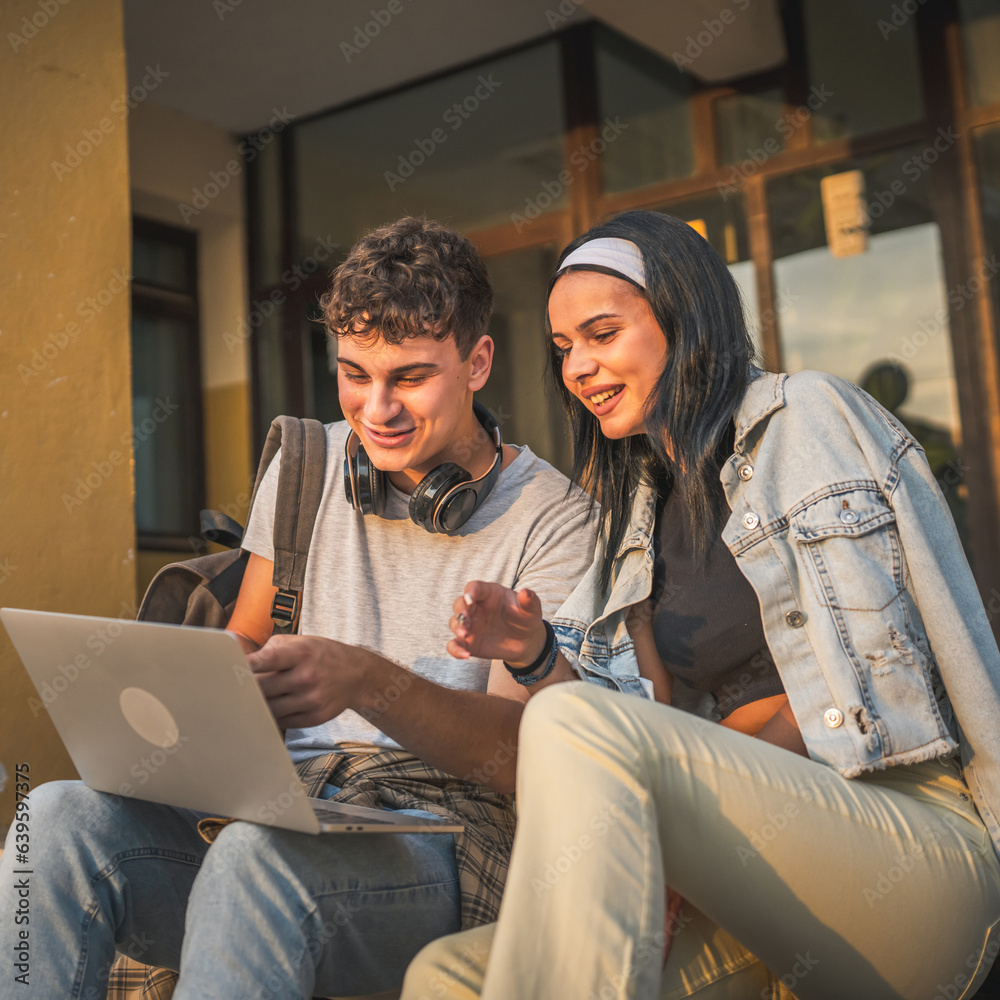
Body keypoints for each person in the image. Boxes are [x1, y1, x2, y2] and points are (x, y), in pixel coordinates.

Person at [400, 210, 1000, 1000]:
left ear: (682, 318)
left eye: (602, 333)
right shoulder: (631, 518)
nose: (578, 367)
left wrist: (678, 804)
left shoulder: (806, 420)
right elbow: (626, 729)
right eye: (563, 349)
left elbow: (856, 683)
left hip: (913, 840)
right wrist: (537, 652)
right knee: (445, 975)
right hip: (764, 877)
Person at [0, 218, 597, 999]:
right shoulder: (305, 465)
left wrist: (361, 679)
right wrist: (224, 691)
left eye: (410, 378)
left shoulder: (555, 517)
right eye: (354, 374)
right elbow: (243, 645)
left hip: (445, 843)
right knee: (53, 819)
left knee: (256, 858)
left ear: (478, 361)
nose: (375, 409)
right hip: (285, 807)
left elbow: (524, 760)